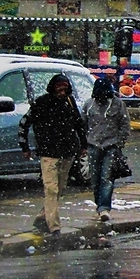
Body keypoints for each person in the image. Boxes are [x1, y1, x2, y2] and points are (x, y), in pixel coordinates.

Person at [18, 74, 88, 237]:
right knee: (51, 188)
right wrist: (25, 147)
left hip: (68, 153)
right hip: (48, 153)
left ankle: (43, 216)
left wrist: (83, 145)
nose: (63, 93)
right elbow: (24, 124)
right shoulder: (42, 103)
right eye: (60, 89)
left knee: (59, 189)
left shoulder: (69, 103)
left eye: (65, 89)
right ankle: (54, 226)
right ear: (53, 89)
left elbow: (79, 124)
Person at [82, 76, 131, 222]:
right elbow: (83, 123)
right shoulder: (89, 105)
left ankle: (104, 208)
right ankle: (99, 204)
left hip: (111, 147)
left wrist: (119, 143)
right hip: (93, 146)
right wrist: (85, 143)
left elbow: (124, 124)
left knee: (106, 178)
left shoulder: (118, 104)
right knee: (95, 179)